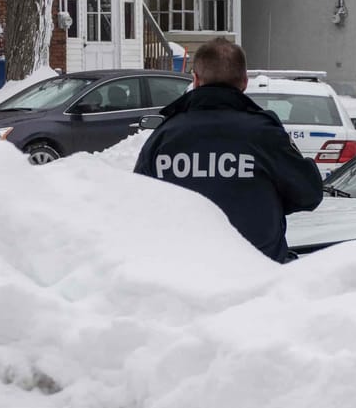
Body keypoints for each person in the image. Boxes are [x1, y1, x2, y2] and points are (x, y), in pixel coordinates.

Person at [134, 37, 323, 262]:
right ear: (244, 81)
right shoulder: (264, 134)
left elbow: (138, 205)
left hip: (182, 274)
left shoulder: (164, 136)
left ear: (195, 80)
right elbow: (308, 194)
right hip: (257, 273)